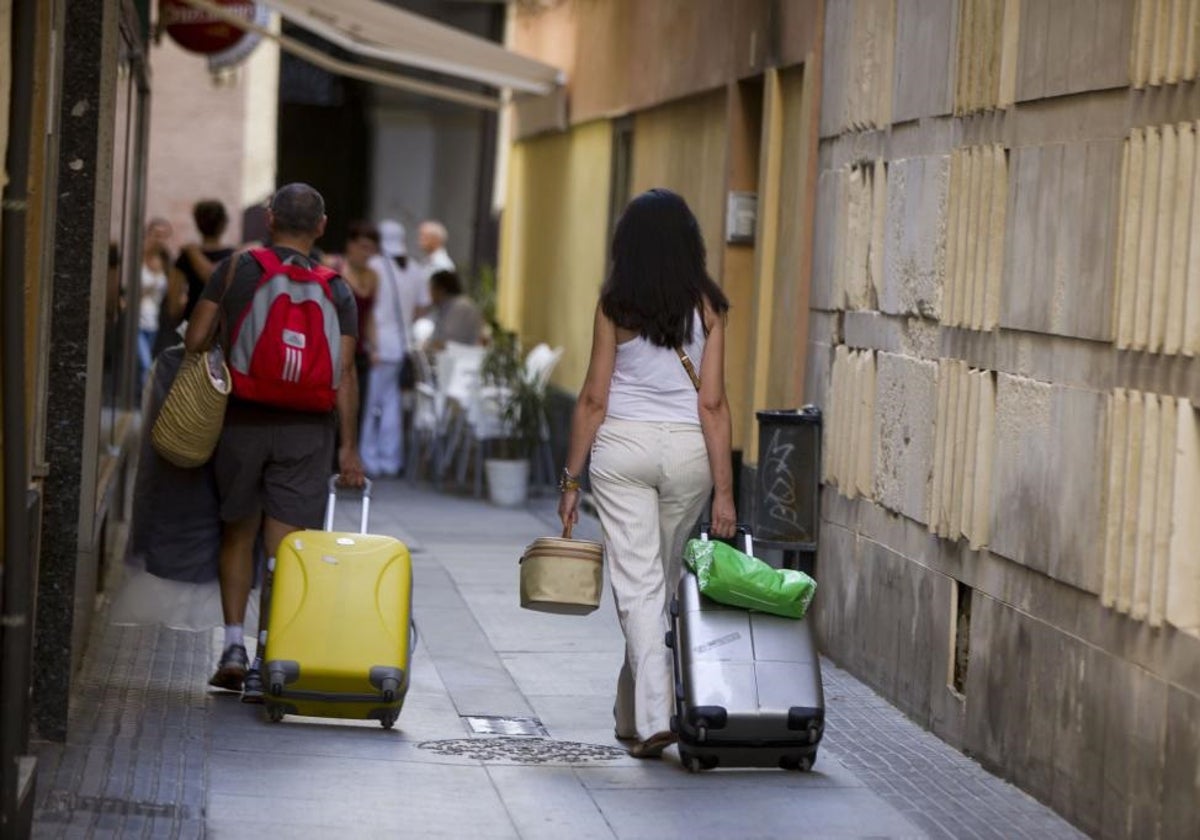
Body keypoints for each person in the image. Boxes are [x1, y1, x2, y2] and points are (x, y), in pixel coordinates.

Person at [557, 188, 736, 759]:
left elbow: (592, 398)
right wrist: (725, 494)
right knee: (651, 586)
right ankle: (630, 715)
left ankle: (653, 716)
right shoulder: (709, 307)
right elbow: (713, 404)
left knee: (639, 589)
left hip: (623, 453)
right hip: (689, 456)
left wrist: (570, 479)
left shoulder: (616, 305)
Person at [184, 183, 365, 701]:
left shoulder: (238, 270)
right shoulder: (337, 289)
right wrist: (348, 447)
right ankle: (271, 656)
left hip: (241, 420)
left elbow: (196, 340)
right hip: (308, 431)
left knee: (238, 532)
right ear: (322, 227)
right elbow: (344, 373)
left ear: (268, 218)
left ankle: (234, 647)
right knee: (285, 550)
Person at [361, 220, 428, 477]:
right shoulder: (416, 269)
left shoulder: (375, 265)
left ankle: (369, 458)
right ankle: (390, 459)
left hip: (377, 346)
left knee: (371, 406)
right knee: (392, 406)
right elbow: (422, 308)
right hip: (402, 346)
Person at [155, 200, 234, 356]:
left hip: (192, 329)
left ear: (197, 224)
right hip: (223, 333)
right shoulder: (234, 259)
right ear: (224, 224)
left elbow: (173, 307)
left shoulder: (186, 257)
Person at [138, 218, 174, 386]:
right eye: (156, 235)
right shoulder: (137, 257)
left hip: (156, 321)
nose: (159, 239)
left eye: (163, 236)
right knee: (145, 364)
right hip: (136, 320)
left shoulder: (167, 261)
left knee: (151, 363)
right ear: (148, 234)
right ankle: (141, 404)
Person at [427, 270, 484, 350]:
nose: (429, 294)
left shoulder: (460, 307)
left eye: (431, 289)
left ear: (441, 290)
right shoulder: (445, 307)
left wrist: (432, 345)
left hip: (461, 358)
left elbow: (448, 341)